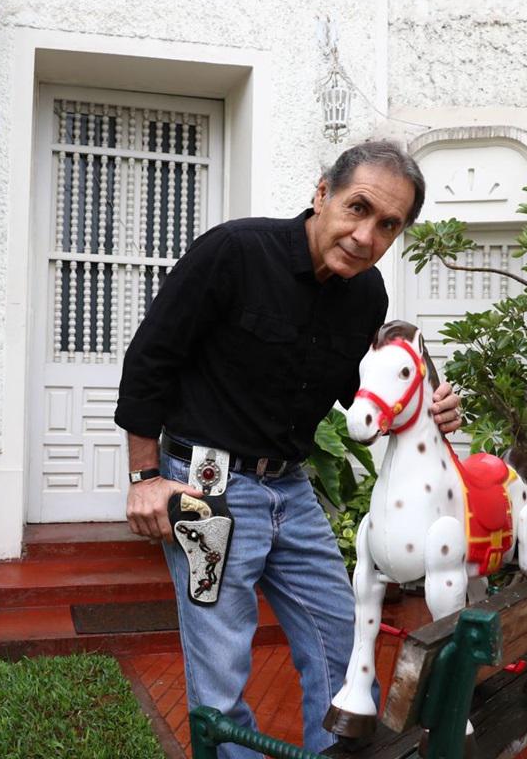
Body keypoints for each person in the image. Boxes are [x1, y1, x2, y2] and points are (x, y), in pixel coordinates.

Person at [113, 141, 461, 756]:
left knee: (340, 638)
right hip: (206, 490)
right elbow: (151, 358)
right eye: (357, 208)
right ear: (322, 192)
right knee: (220, 669)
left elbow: (355, 394)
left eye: (388, 225)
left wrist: (421, 412)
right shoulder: (234, 253)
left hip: (291, 490)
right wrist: (145, 475)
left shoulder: (367, 294)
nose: (365, 235)